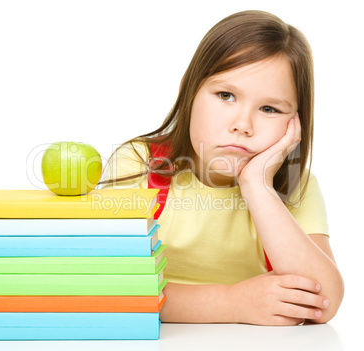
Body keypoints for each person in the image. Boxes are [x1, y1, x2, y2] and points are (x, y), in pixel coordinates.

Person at [99, 10, 344, 325]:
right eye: (226, 95)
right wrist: (232, 304)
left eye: (269, 108)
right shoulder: (140, 165)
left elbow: (322, 302)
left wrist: (257, 186)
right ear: (191, 91)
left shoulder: (297, 187)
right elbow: (111, 289)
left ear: (294, 123)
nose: (242, 125)